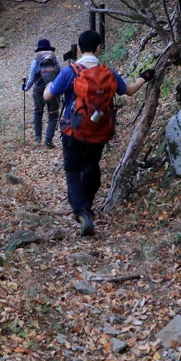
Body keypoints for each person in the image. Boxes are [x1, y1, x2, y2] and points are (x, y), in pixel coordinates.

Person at [44, 30, 151, 236]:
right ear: (99, 48)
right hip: (99, 131)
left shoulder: (70, 72)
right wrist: (144, 78)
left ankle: (82, 213)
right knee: (92, 168)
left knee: (73, 171)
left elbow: (49, 95)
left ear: (78, 49)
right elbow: (129, 91)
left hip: (72, 131)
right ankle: (87, 207)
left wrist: (49, 84)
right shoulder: (108, 72)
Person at [22, 39, 61, 148]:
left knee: (38, 112)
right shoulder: (55, 59)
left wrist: (25, 88)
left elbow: (31, 79)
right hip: (52, 89)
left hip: (39, 90)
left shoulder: (36, 61)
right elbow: (61, 73)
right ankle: (48, 142)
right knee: (53, 116)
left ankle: (38, 139)